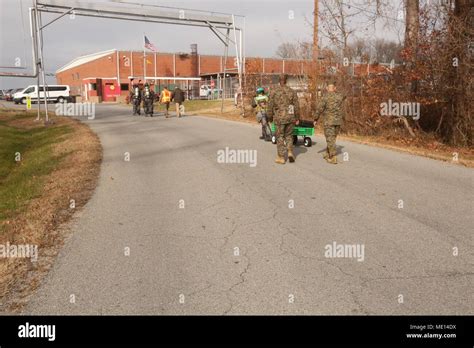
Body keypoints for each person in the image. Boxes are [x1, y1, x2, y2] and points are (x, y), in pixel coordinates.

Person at [267, 74, 300, 164]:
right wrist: (297, 117)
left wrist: (269, 117)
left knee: (280, 136)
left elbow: (270, 106)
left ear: (279, 80)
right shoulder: (292, 92)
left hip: (279, 118)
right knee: (289, 135)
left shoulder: (273, 92)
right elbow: (296, 106)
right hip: (290, 117)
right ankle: (289, 152)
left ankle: (281, 157)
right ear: (286, 81)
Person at [314, 81, 346, 164]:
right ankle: (327, 153)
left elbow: (319, 109)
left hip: (329, 121)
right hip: (338, 122)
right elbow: (344, 95)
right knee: (332, 139)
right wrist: (335, 90)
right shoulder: (339, 96)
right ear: (335, 88)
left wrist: (315, 119)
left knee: (330, 139)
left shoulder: (325, 97)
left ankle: (333, 157)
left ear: (327, 88)